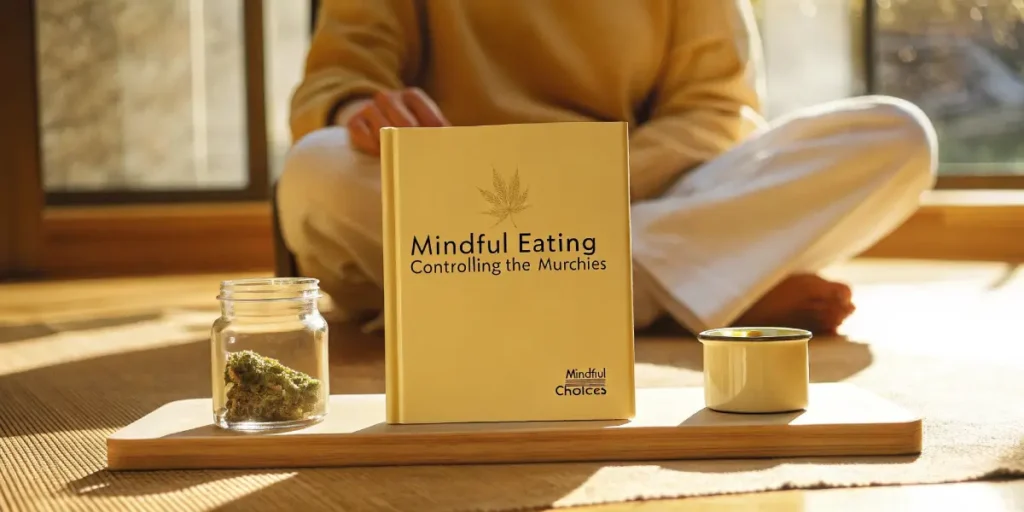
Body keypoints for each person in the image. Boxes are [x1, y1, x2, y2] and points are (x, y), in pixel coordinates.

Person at [276, 0, 937, 335]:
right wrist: (360, 107)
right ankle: (702, 290)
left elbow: (716, 114)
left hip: (619, 189)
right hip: (454, 212)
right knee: (317, 170)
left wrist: (575, 184)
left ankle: (548, 300)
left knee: (896, 138)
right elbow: (335, 79)